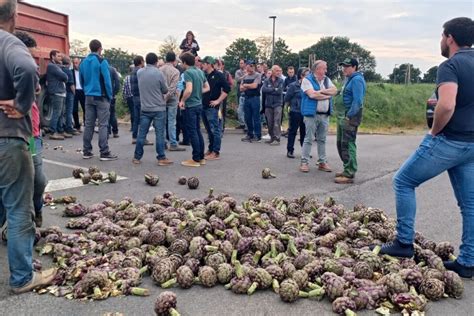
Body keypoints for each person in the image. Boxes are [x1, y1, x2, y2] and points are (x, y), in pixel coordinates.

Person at [378, 17, 474, 278]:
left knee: (404, 181)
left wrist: (434, 132)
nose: (441, 41)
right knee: (470, 204)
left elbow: (446, 104)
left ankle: (404, 243)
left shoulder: (450, 65)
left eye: (442, 36)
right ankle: (467, 261)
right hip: (472, 144)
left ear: (450, 38)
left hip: (450, 140)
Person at [0, 0, 56, 293]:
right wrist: (22, 105)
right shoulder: (9, 43)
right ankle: (22, 277)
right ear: (15, 15)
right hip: (7, 138)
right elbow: (26, 68)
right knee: (18, 207)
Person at [13, 31, 47, 228]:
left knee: (39, 180)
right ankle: (16, 222)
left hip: (33, 134)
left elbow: (35, 91)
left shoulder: (29, 70)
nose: (31, 61)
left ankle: (38, 208)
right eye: (29, 55)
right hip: (11, 133)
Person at [79, 39, 118, 161]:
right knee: (103, 125)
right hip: (101, 96)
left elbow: (81, 80)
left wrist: (86, 90)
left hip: (88, 95)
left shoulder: (83, 62)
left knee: (89, 124)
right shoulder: (102, 61)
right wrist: (110, 96)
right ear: (100, 48)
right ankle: (104, 152)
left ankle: (87, 150)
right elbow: (107, 81)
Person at [132, 52, 172, 166]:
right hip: (158, 107)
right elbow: (165, 90)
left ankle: (137, 157)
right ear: (155, 61)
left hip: (145, 107)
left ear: (146, 60)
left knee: (142, 133)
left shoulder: (140, 72)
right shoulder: (158, 73)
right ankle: (161, 157)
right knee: (159, 134)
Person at [300, 60, 337, 173]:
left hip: (324, 115)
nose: (326, 70)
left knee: (322, 139)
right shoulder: (307, 80)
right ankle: (304, 162)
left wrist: (320, 92)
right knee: (309, 138)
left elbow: (335, 91)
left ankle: (322, 162)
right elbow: (312, 95)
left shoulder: (327, 80)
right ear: (317, 69)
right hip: (311, 115)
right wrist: (327, 95)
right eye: (324, 68)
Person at [334, 58, 366, 183]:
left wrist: (349, 116)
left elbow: (358, 101)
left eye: (347, 66)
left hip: (350, 116)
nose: (344, 69)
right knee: (340, 143)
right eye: (343, 66)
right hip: (342, 115)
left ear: (354, 67)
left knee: (348, 144)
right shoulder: (348, 80)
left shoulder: (357, 80)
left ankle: (349, 173)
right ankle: (346, 167)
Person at [179, 52, 210, 167]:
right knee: (197, 130)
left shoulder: (187, 72)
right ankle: (201, 157)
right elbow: (207, 87)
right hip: (199, 105)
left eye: (181, 62)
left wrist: (182, 100)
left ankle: (195, 158)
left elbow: (188, 90)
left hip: (191, 106)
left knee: (193, 131)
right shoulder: (200, 72)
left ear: (185, 62)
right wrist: (198, 92)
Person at [201, 56, 230, 160]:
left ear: (209, 64)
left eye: (203, 63)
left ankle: (216, 151)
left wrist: (218, 100)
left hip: (212, 107)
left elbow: (227, 88)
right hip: (203, 106)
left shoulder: (218, 75)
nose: (202, 65)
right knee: (208, 130)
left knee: (215, 129)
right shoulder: (204, 75)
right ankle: (210, 148)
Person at [160, 51, 185, 151]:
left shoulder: (159, 70)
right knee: (172, 121)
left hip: (160, 98)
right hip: (172, 98)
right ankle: (173, 143)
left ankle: (163, 142)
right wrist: (167, 97)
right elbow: (173, 88)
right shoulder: (176, 72)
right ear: (174, 60)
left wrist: (163, 98)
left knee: (162, 121)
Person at [286, 67, 309, 158]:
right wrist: (288, 108)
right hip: (295, 111)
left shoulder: (310, 85)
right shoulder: (293, 86)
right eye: (306, 75)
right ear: (301, 76)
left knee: (304, 133)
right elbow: (287, 98)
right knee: (292, 132)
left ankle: (305, 152)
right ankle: (290, 150)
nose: (308, 77)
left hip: (305, 112)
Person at [47, 49, 68, 140]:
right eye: (58, 56)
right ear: (52, 56)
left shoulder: (57, 66)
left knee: (61, 113)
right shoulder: (52, 66)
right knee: (57, 112)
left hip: (60, 92)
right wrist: (64, 77)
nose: (61, 58)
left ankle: (60, 130)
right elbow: (65, 76)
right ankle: (53, 132)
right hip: (56, 92)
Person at [261, 65, 284, 145]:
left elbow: (279, 91)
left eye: (279, 71)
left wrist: (270, 90)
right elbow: (264, 89)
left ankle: (277, 139)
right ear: (273, 71)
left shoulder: (281, 80)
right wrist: (274, 89)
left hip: (278, 104)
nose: (278, 72)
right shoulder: (267, 80)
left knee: (276, 121)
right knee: (269, 122)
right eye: (277, 71)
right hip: (268, 104)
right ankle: (272, 137)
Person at [240, 60, 262, 143]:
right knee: (247, 117)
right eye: (250, 65)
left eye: (253, 65)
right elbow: (240, 88)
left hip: (255, 98)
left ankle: (257, 135)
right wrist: (248, 86)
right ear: (247, 66)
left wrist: (246, 85)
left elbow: (255, 86)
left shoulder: (257, 75)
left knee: (256, 117)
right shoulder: (245, 76)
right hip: (247, 98)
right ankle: (250, 134)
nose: (252, 67)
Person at [61, 55, 79, 136]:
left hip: (63, 92)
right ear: (69, 63)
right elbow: (72, 85)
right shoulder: (69, 71)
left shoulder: (61, 69)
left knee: (63, 111)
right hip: (69, 93)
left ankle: (63, 126)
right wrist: (74, 93)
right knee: (69, 111)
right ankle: (69, 128)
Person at [216, 58, 233, 132]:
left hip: (223, 94)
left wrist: (226, 91)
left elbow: (231, 83)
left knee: (222, 111)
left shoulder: (226, 73)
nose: (219, 66)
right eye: (218, 64)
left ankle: (221, 127)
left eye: (220, 64)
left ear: (223, 65)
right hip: (215, 94)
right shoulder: (214, 72)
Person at [72, 57, 85, 132]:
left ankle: (86, 124)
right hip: (75, 91)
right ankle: (77, 125)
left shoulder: (83, 72)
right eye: (74, 63)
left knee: (85, 108)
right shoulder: (71, 72)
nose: (75, 64)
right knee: (75, 109)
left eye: (76, 63)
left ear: (79, 63)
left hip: (82, 91)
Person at [108, 65, 121, 138]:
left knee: (104, 113)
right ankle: (115, 131)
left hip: (102, 95)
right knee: (112, 113)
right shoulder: (112, 69)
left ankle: (107, 130)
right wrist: (115, 92)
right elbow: (117, 81)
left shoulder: (99, 68)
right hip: (111, 93)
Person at [234, 58, 247, 130]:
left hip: (247, 92)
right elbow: (237, 79)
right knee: (240, 109)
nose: (240, 64)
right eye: (240, 63)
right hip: (240, 91)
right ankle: (242, 123)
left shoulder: (248, 71)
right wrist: (245, 76)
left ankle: (246, 124)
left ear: (245, 64)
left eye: (242, 63)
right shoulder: (238, 72)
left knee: (245, 109)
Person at [122, 65, 134, 131]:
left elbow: (124, 89)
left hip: (129, 98)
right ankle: (137, 126)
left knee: (132, 112)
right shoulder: (138, 76)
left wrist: (124, 98)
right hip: (136, 97)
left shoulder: (126, 78)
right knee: (138, 112)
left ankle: (132, 127)